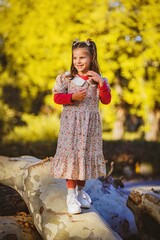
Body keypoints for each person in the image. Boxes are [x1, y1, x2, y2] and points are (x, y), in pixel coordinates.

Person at [50, 39, 111, 214]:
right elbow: (56, 98)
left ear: (92, 58)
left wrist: (101, 83)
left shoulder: (98, 81)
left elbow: (106, 100)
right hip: (71, 126)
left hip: (90, 129)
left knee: (84, 157)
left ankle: (80, 192)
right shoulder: (66, 78)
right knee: (72, 158)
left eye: (82, 57)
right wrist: (72, 97)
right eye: (75, 57)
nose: (78, 61)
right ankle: (70, 195)